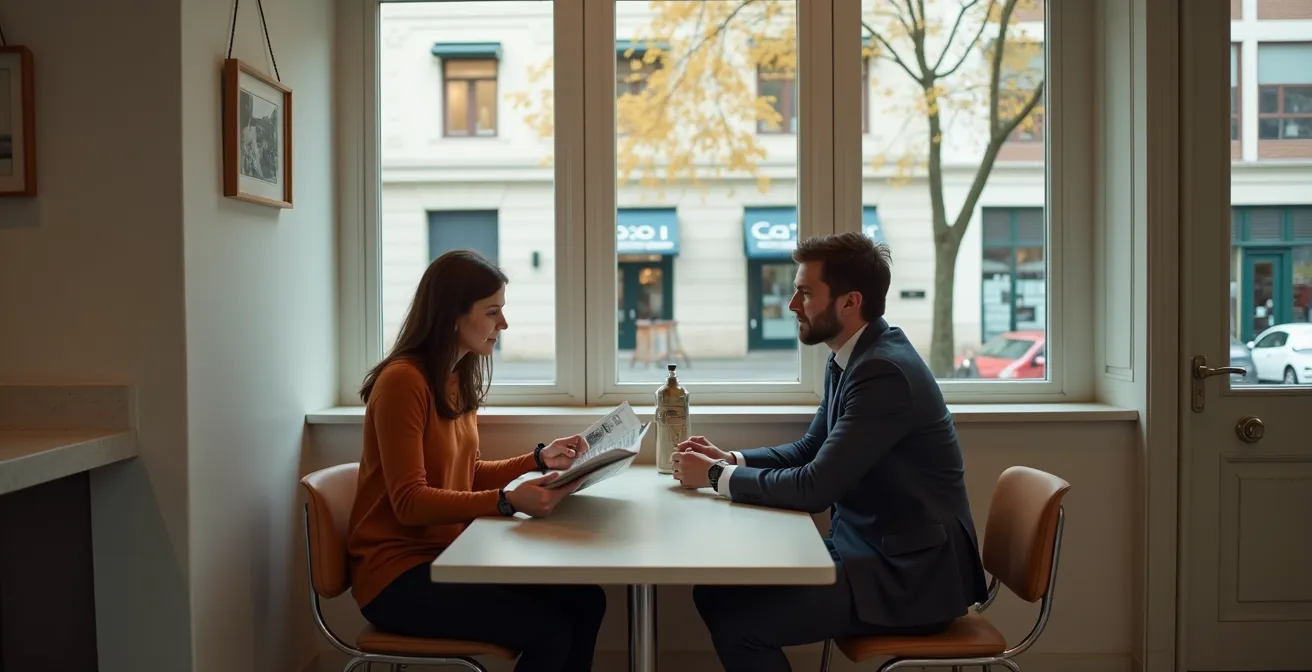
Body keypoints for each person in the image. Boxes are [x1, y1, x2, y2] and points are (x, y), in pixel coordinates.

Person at [670, 232, 988, 672]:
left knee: (739, 622)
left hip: (910, 578)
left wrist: (712, 477)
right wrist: (730, 461)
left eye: (804, 293)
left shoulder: (882, 372)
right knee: (714, 592)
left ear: (848, 301)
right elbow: (811, 449)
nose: (792, 305)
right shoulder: (854, 356)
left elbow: (814, 488)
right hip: (872, 552)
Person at [346, 250, 607, 672]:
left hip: (448, 557)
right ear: (452, 314)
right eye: (492, 312)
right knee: (551, 630)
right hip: (396, 577)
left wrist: (539, 459)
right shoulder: (402, 383)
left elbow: (465, 474)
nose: (502, 324)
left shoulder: (454, 377)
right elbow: (410, 502)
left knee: (587, 600)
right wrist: (506, 501)